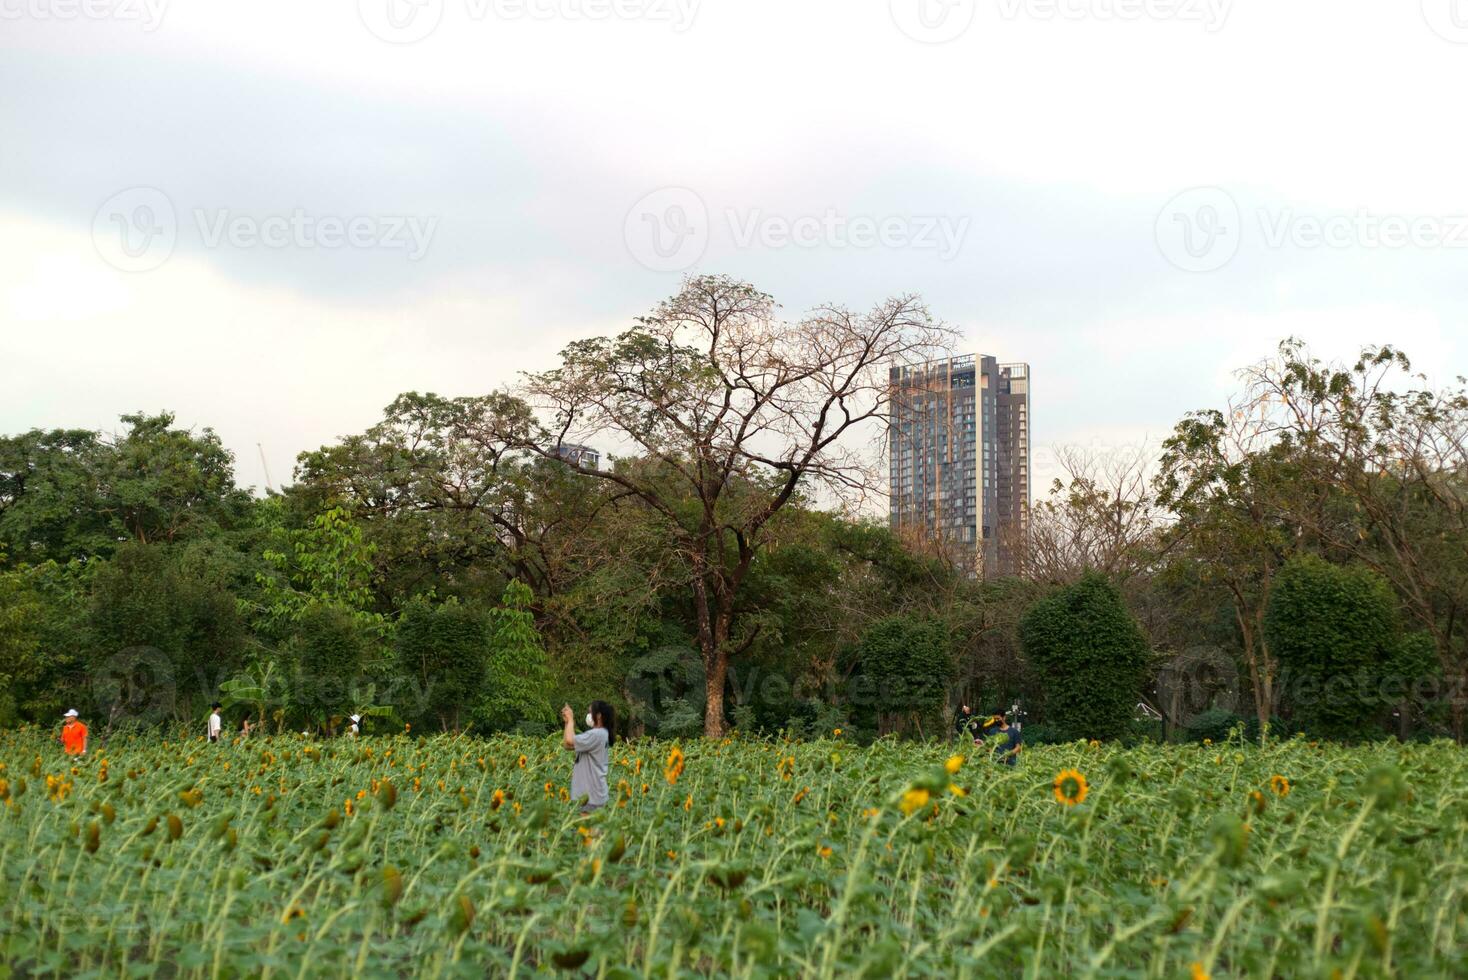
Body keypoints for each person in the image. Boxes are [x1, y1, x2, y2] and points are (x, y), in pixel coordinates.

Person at [561, 700, 615, 814]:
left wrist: (571, 719)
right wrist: (567, 722)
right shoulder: (599, 734)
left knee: (589, 830)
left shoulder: (596, 734)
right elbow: (567, 745)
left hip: (591, 792)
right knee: (591, 829)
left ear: (599, 715)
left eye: (590, 712)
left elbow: (570, 740)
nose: (588, 715)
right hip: (592, 791)